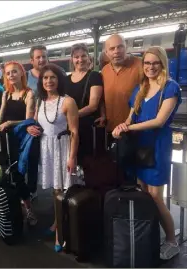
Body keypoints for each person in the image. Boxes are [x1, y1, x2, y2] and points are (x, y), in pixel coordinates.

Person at [112, 46, 182, 260]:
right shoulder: (141, 88)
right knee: (144, 193)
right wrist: (121, 127)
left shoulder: (170, 88)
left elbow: (159, 121)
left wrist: (128, 129)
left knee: (156, 197)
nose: (151, 67)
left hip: (158, 147)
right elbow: (130, 118)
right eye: (147, 63)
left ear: (162, 64)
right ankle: (152, 234)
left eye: (155, 63)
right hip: (139, 147)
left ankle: (172, 241)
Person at [26, 63, 79, 252]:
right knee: (53, 191)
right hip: (46, 148)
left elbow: (74, 132)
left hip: (61, 147)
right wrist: (28, 127)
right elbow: (33, 122)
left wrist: (72, 157)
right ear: (41, 81)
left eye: (53, 77)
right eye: (45, 78)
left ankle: (60, 234)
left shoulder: (68, 101)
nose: (49, 81)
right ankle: (57, 223)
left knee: (60, 191)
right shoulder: (39, 101)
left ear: (59, 80)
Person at [0, 61, 38, 226]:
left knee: (21, 174)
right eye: (8, 73)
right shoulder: (6, 93)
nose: (11, 75)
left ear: (21, 73)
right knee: (11, 175)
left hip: (22, 140)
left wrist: (10, 123)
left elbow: (29, 120)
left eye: (14, 72)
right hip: (5, 140)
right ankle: (22, 208)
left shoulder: (29, 94)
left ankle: (28, 207)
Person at [65, 43, 103, 165]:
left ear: (88, 57)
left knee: (87, 162)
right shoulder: (66, 79)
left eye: (83, 56)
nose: (80, 60)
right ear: (72, 59)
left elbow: (93, 105)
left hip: (87, 129)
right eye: (76, 57)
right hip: (69, 129)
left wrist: (71, 116)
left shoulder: (94, 76)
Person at [102, 34, 143, 133]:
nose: (117, 51)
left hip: (134, 128)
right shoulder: (105, 70)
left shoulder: (140, 66)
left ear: (126, 48)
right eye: (112, 48)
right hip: (110, 129)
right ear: (106, 53)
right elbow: (102, 98)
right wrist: (103, 115)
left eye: (120, 47)